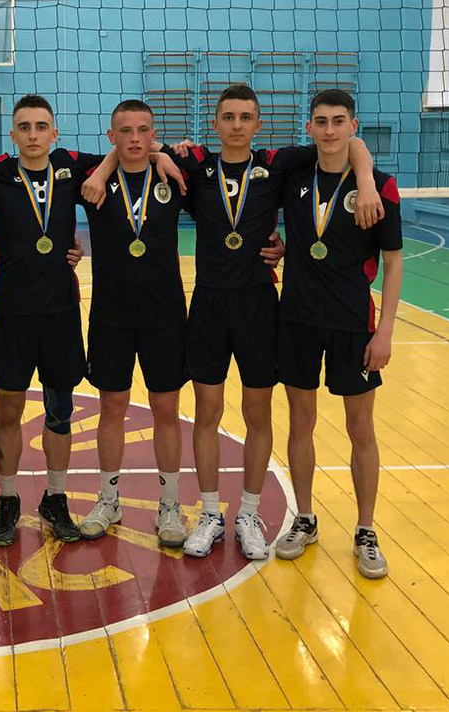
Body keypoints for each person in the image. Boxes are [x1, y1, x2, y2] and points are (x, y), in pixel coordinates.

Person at [163, 84, 381, 561]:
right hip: (209, 305)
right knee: (207, 411)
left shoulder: (278, 164)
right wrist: (164, 154)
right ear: (215, 123)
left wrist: (365, 180)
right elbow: (141, 148)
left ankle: (248, 514)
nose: (237, 125)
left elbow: (350, 143)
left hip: (261, 306)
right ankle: (210, 514)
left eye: (246, 117)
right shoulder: (196, 167)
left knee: (257, 414)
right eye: (228, 117)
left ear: (258, 124)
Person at [0, 94, 107, 546]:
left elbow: (124, 151)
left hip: (61, 311)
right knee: (9, 410)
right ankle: (7, 500)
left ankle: (55, 498)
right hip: (13, 313)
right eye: (24, 127)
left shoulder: (69, 166)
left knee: (60, 411)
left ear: (54, 133)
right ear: (13, 134)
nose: (33, 135)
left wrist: (109, 169)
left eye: (41, 126)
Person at [272, 89, 403, 579]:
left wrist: (385, 332)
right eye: (321, 121)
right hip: (297, 320)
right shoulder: (294, 175)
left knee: (360, 429)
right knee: (299, 423)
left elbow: (393, 263)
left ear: (353, 126)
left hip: (354, 325)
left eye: (339, 121)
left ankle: (366, 529)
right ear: (309, 127)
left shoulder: (381, 187)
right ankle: (304, 518)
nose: (330, 130)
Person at [76, 99, 191, 548]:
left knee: (166, 410)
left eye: (144, 130)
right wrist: (106, 167)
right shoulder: (92, 179)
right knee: (112, 407)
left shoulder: (174, 174)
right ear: (111, 137)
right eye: (125, 131)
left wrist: (164, 154)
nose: (135, 139)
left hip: (165, 316)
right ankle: (108, 500)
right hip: (112, 316)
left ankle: (170, 505)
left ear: (154, 134)